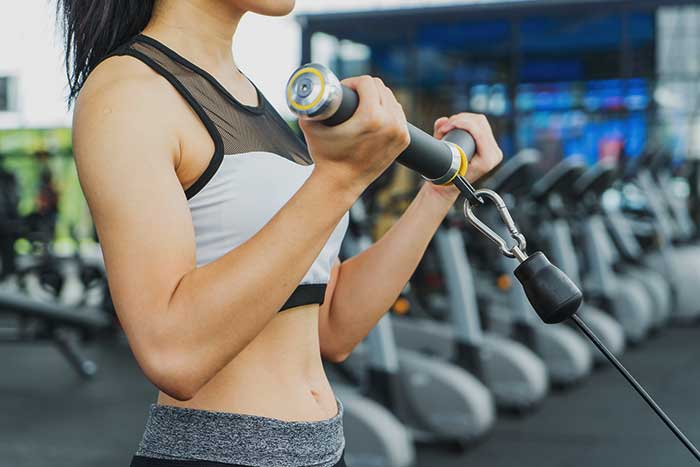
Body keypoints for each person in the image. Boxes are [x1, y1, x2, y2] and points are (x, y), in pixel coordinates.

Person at [58, 1, 503, 466]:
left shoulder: (249, 96)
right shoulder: (129, 90)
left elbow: (332, 325)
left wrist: (439, 194)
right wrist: (341, 178)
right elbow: (173, 352)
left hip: (324, 450)